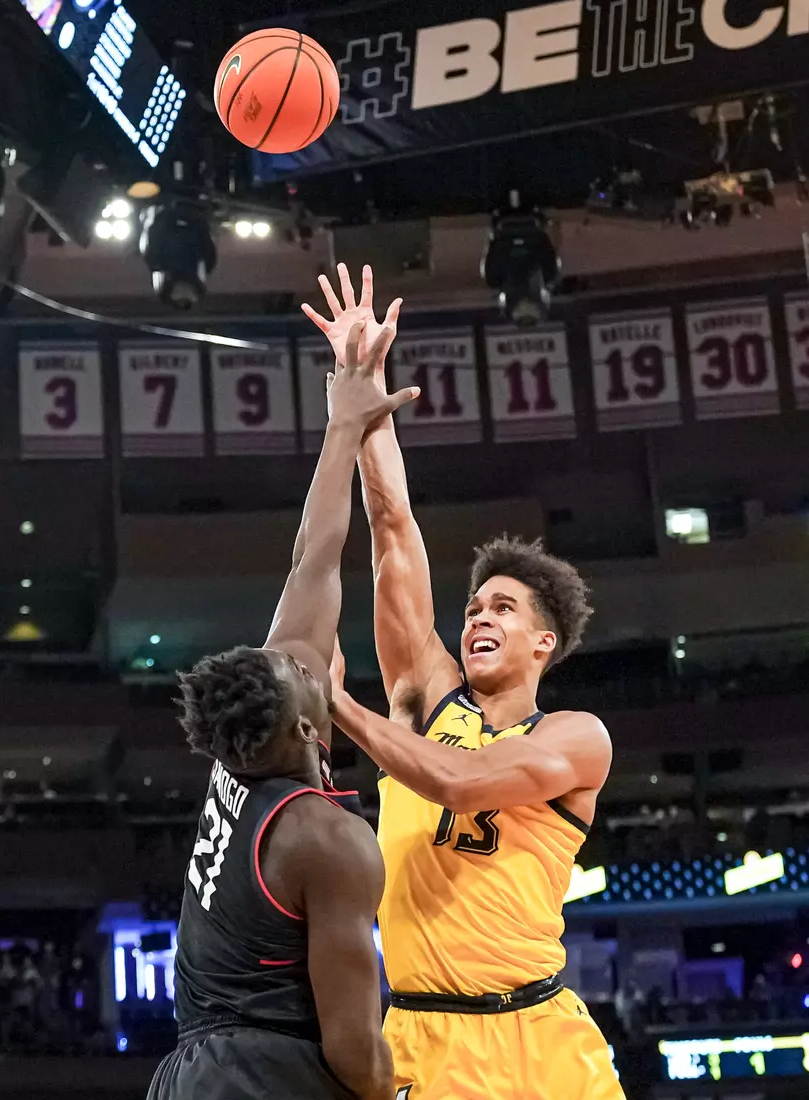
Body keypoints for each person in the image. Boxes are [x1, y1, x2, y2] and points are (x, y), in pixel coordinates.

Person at [304, 265, 625, 1100]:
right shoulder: (423, 699)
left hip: (545, 1034)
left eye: (504, 609)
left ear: (543, 642)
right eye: (474, 605)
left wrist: (334, 702)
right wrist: (361, 391)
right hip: (425, 1037)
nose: (478, 617)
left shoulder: (574, 738)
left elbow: (461, 782)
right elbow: (391, 529)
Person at [147, 324, 417, 1100]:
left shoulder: (243, 749)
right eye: (305, 674)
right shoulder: (328, 839)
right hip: (264, 1077)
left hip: (191, 1070)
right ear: (307, 726)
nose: (305, 656)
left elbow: (314, 557)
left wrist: (344, 421)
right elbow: (354, 1049)